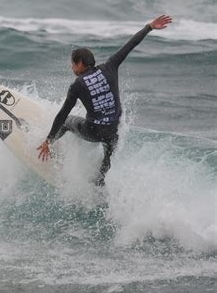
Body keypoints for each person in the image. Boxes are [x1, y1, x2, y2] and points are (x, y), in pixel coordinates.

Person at [37, 15, 173, 186]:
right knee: (107, 160)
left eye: (72, 64)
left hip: (92, 131)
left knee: (67, 122)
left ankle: (50, 151)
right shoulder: (111, 67)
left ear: (80, 63)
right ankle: (99, 185)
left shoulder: (77, 84)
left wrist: (48, 139)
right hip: (112, 132)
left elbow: (63, 113)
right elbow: (130, 45)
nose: (71, 68)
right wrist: (149, 27)